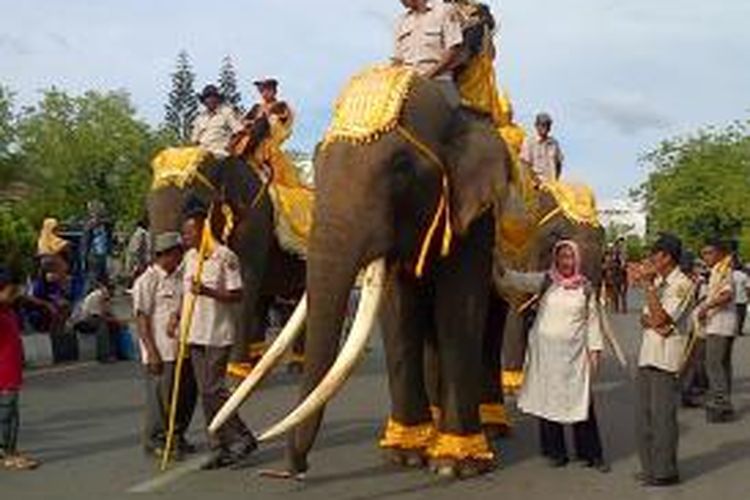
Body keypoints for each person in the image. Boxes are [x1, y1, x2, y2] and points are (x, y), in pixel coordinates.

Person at [498, 240, 608, 472]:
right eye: (561, 257)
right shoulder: (546, 281)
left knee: (582, 403)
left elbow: (593, 322)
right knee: (549, 402)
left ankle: (591, 453)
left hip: (575, 356)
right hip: (546, 356)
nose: (565, 262)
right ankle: (555, 452)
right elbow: (516, 280)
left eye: (570, 257)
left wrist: (595, 352)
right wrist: (500, 266)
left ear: (576, 260)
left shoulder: (585, 288)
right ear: (556, 259)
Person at [181, 207, 257, 469]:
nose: (186, 236)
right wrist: (176, 319)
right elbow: (185, 295)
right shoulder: (190, 257)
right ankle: (219, 445)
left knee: (214, 389)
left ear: (204, 229)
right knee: (206, 392)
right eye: (184, 231)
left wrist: (208, 291)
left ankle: (240, 435)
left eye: (190, 231)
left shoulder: (225, 257)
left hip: (217, 333)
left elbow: (237, 295)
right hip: (194, 333)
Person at [635, 233, 694, 487]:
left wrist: (648, 288)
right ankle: (650, 468)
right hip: (648, 353)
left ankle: (665, 471)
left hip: (666, 358)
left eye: (655, 256)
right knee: (644, 418)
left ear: (668, 257)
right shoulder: (659, 282)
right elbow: (645, 318)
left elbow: (659, 320)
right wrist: (653, 318)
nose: (651, 260)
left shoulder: (681, 284)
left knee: (663, 419)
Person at [132, 232, 197, 459]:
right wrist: (151, 352)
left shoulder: (180, 278)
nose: (180, 259)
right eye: (177, 254)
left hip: (183, 348)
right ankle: (155, 440)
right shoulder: (147, 281)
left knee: (185, 396)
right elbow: (141, 318)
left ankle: (177, 435)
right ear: (166, 255)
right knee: (161, 399)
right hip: (161, 351)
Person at [0, 267, 40, 471]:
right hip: (3, 374)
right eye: (10, 290)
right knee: (6, 415)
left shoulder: (8, 309)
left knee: (12, 415)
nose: (14, 294)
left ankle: (11, 451)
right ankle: (6, 454)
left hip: (12, 372)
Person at [394, 0, 465, 106]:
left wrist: (426, 77)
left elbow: (453, 50)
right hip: (409, 86)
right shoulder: (402, 21)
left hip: (438, 82)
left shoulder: (444, 10)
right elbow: (398, 60)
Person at [698, 239, 737, 423]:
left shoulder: (724, 270)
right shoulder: (717, 270)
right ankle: (725, 401)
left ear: (720, 253)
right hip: (723, 324)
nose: (705, 257)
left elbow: (727, 295)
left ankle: (721, 402)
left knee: (713, 365)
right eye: (704, 253)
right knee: (723, 365)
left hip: (720, 325)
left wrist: (707, 307)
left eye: (709, 253)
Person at [71, 281, 121, 363]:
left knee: (115, 326)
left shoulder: (105, 298)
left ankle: (115, 352)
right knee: (102, 326)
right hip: (82, 321)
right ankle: (103, 355)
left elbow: (109, 313)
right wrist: (112, 319)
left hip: (92, 318)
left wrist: (117, 321)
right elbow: (97, 316)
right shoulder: (96, 296)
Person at [191, 84, 244, 159]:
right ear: (204, 101)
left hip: (219, 153)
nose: (211, 100)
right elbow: (194, 140)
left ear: (218, 99)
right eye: (208, 97)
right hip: (201, 153)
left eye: (213, 97)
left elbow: (239, 131)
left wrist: (230, 146)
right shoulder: (200, 118)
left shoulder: (226, 113)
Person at [519, 113, 564, 183]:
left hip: (552, 185)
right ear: (536, 126)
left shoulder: (554, 143)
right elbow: (524, 165)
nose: (545, 128)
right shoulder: (529, 142)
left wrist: (556, 179)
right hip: (535, 186)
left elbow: (559, 163)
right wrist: (534, 180)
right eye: (543, 125)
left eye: (548, 125)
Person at [125, 215, 151, 287]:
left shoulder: (139, 233)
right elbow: (136, 249)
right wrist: (138, 263)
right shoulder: (141, 234)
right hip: (139, 260)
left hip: (138, 259)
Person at [731, 259, 748, 336]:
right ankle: (739, 330)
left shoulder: (730, 275)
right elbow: (748, 288)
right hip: (742, 298)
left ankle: (733, 329)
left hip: (732, 299)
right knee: (741, 315)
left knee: (733, 315)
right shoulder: (744, 276)